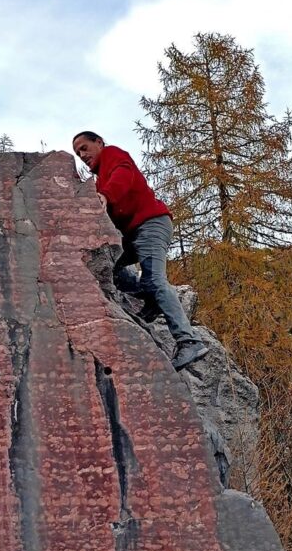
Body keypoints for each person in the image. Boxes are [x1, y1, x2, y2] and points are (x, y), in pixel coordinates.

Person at [72, 130, 208, 372]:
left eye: (84, 147)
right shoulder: (99, 180)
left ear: (99, 143)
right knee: (108, 269)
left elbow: (123, 176)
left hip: (151, 223)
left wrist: (105, 195)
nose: (81, 154)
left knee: (155, 279)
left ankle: (190, 341)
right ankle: (151, 297)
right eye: (77, 152)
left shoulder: (113, 156)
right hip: (131, 236)